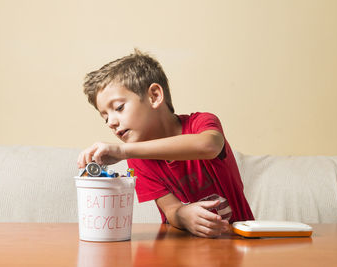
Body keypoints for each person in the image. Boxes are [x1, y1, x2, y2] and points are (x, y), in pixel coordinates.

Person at [77, 49, 254, 238]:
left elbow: (209, 146)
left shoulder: (201, 123)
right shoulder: (137, 159)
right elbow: (171, 209)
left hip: (239, 243)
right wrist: (183, 216)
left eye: (119, 108)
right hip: (182, 251)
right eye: (105, 118)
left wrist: (122, 150)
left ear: (154, 96)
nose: (111, 122)